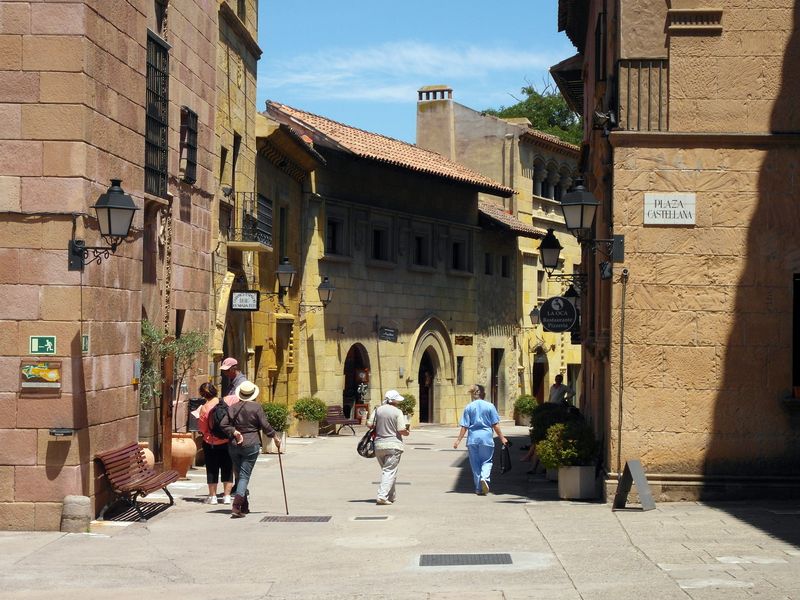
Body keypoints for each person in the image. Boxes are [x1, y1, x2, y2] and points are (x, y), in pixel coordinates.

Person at [220, 381, 281, 518]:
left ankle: (244, 506)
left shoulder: (232, 408)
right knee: (244, 475)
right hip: (251, 443)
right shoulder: (256, 407)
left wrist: (234, 432)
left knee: (239, 475)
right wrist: (275, 437)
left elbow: (223, 424)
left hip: (235, 444)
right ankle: (237, 505)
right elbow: (265, 425)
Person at [453, 384, 508, 495]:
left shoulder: (468, 407)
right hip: (486, 438)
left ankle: (478, 488)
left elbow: (465, 426)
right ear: (483, 393)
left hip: (473, 439)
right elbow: (495, 425)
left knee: (475, 464)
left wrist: (458, 440)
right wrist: (502, 438)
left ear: (473, 394)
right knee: (487, 461)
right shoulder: (490, 406)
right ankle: (484, 478)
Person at [366, 389, 410, 505]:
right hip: (393, 445)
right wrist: (407, 432)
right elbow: (401, 429)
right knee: (389, 471)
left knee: (388, 471)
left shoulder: (378, 410)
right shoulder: (397, 412)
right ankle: (382, 496)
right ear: (394, 400)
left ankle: (391, 496)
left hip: (379, 445)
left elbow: (369, 424)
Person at [196, 382, 234, 505]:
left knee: (212, 469)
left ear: (203, 394)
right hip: (226, 441)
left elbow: (202, 429)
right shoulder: (224, 403)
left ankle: (213, 497)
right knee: (227, 467)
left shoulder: (204, 408)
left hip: (210, 442)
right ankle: (227, 496)